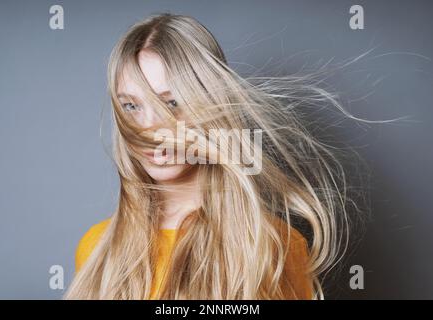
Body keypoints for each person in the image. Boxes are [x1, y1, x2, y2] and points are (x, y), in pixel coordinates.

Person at [64, 13, 352, 300]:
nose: (149, 129)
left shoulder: (273, 249)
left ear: (212, 103)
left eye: (172, 103)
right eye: (131, 106)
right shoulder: (96, 249)